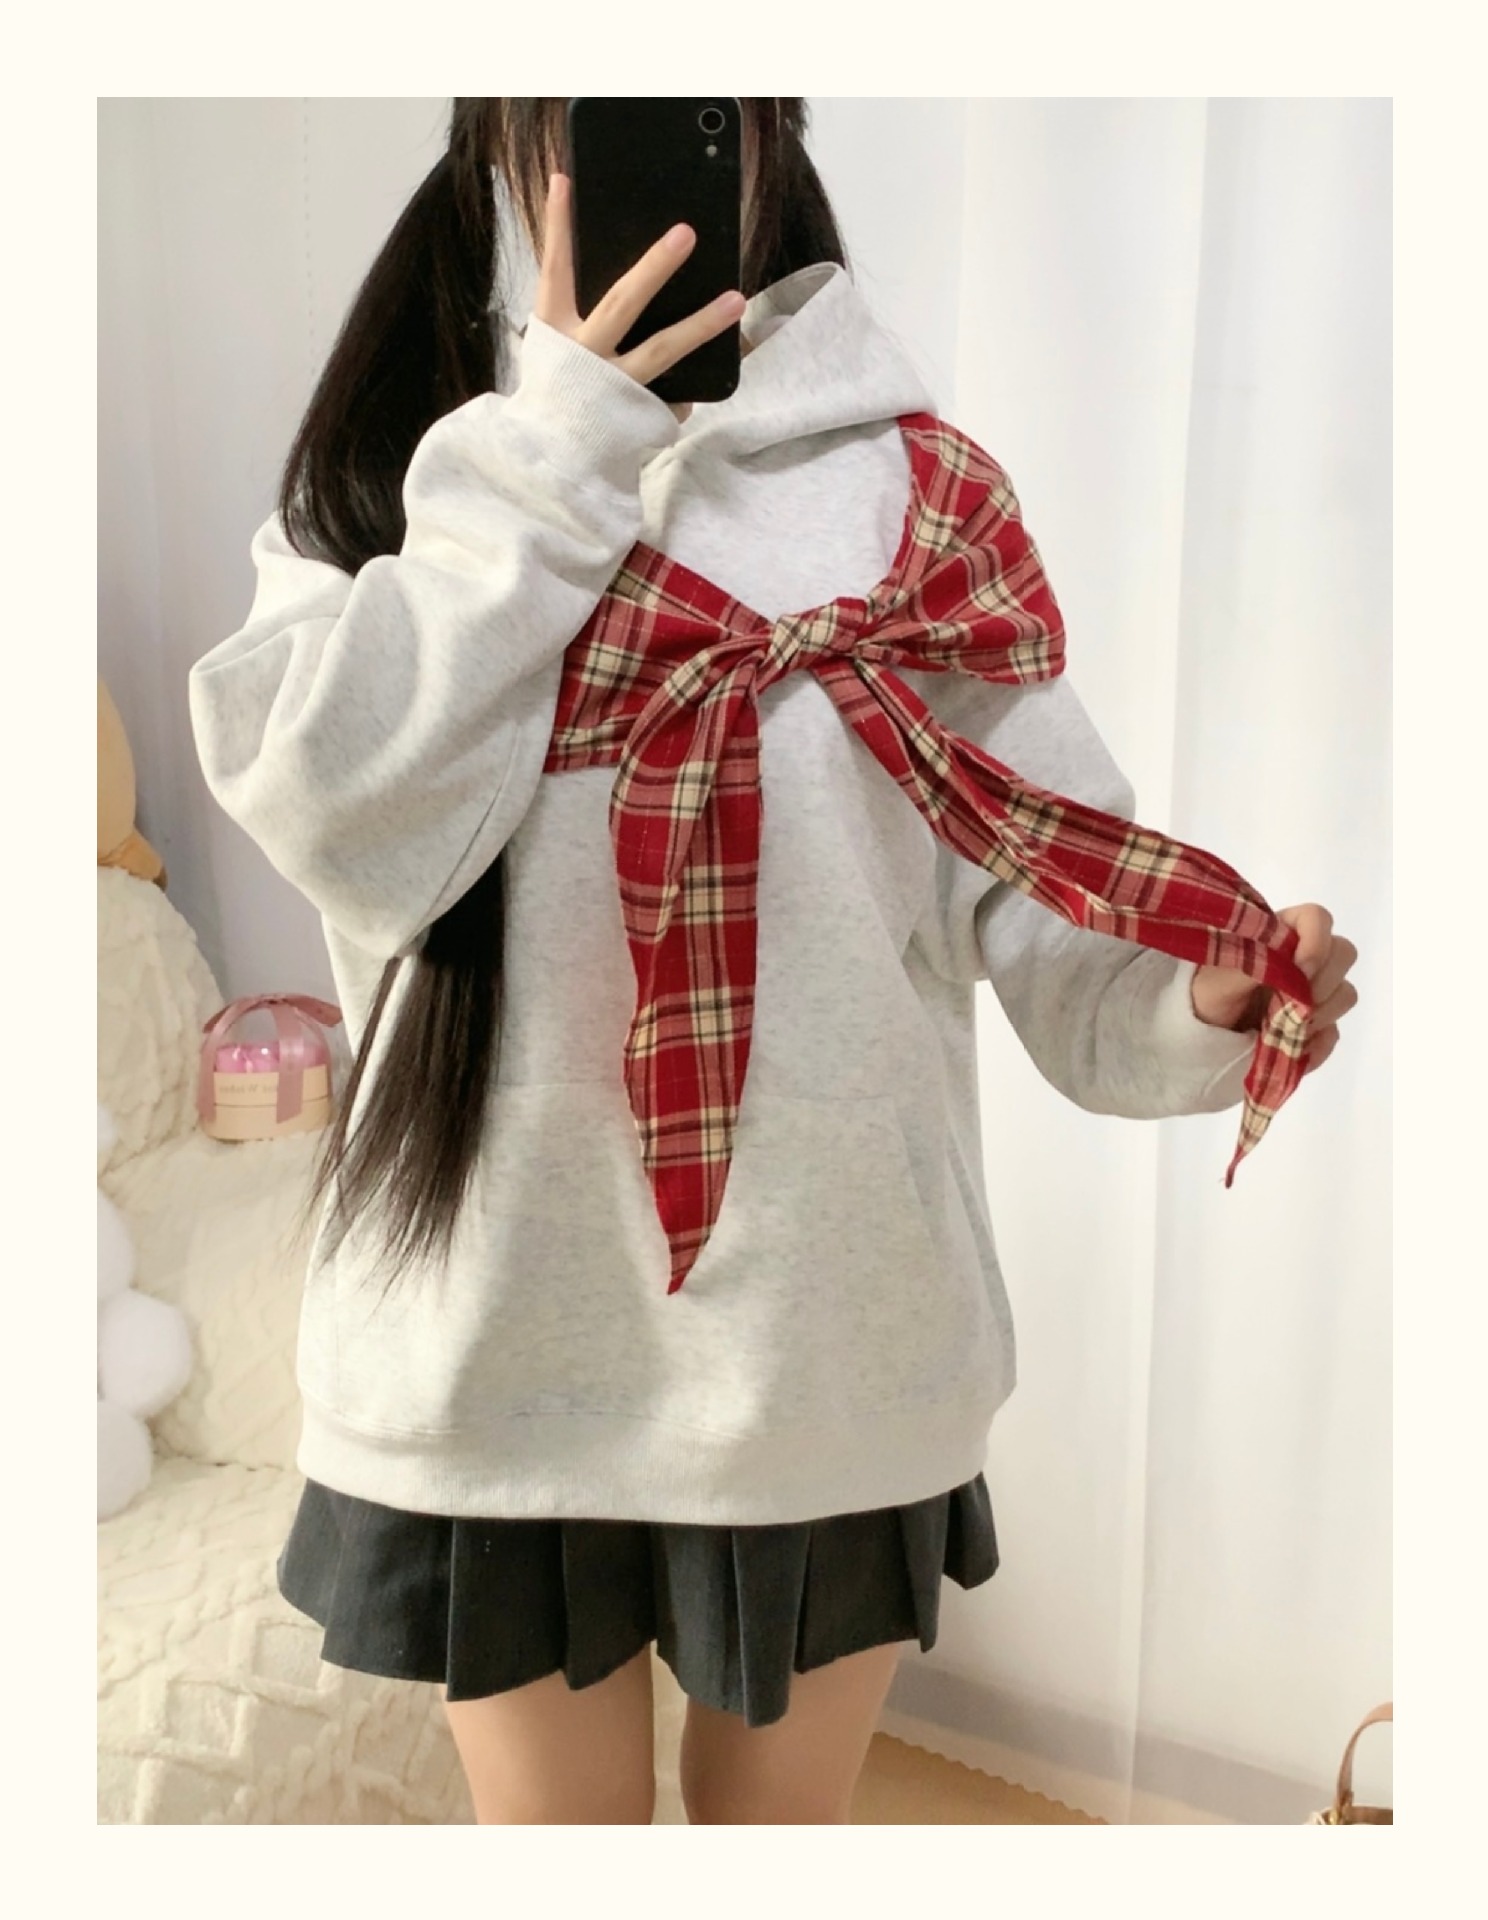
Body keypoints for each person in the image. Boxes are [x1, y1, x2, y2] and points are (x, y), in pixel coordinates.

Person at [187, 98, 1359, 1825]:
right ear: (500, 143)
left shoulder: (917, 496)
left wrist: (1198, 1003)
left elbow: (1038, 894)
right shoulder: (396, 481)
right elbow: (334, 814)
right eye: (584, 106)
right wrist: (559, 445)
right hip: (485, 1343)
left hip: (827, 1344)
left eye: (699, 101)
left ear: (768, 134)